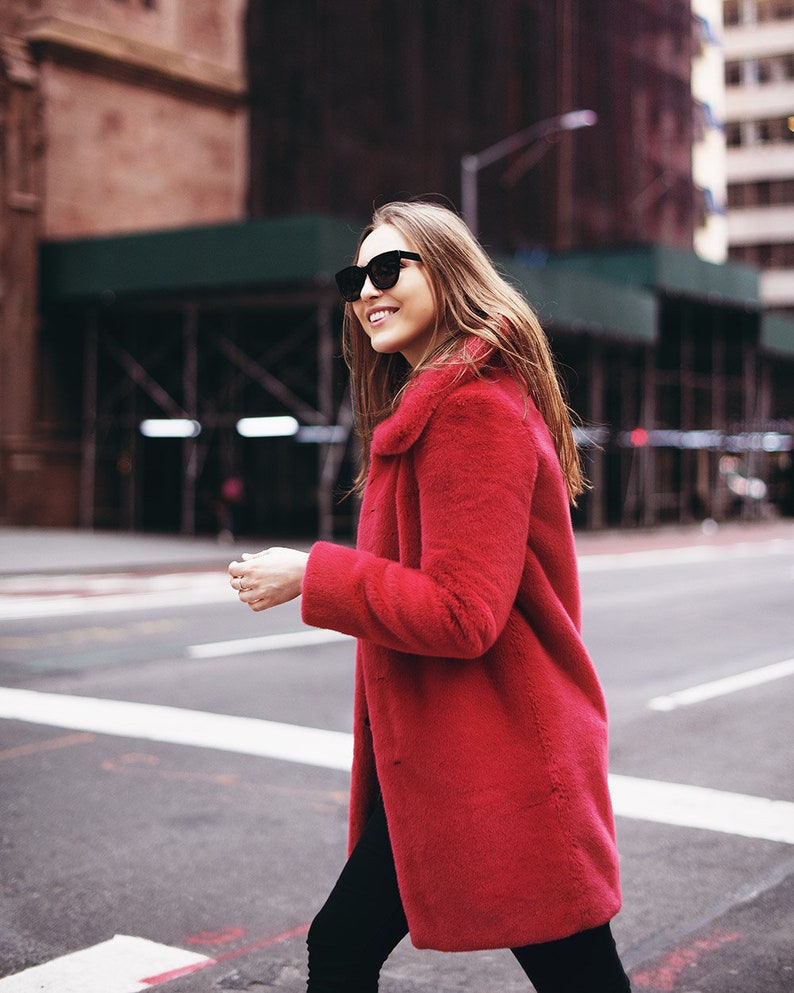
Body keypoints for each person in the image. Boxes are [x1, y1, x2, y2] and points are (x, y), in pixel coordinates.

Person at [229, 199, 632, 993]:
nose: (368, 292)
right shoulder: (437, 404)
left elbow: (462, 612)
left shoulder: (471, 410)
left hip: (499, 752)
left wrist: (312, 576)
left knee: (347, 946)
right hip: (459, 751)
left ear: (447, 274)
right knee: (352, 944)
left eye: (390, 269)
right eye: (356, 277)